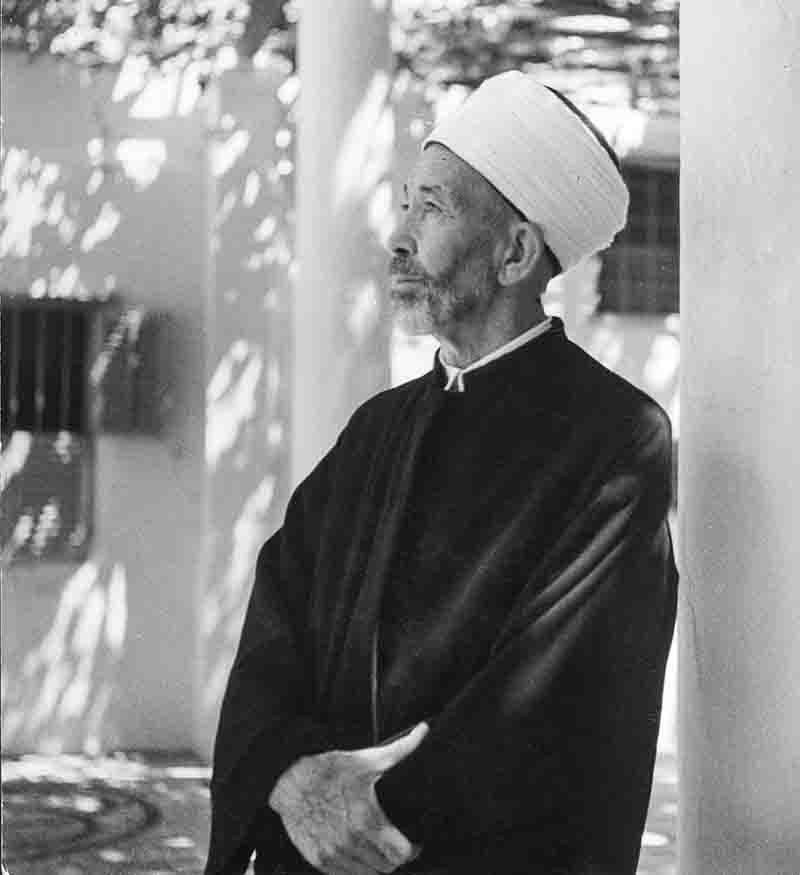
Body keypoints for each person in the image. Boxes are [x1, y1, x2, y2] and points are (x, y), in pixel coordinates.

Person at [205, 71, 678, 875]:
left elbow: (559, 691)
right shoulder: (378, 428)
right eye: (404, 203)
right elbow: (276, 615)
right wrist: (287, 771)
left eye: (432, 207)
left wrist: (379, 809)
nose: (399, 235)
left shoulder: (614, 439)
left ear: (517, 251)